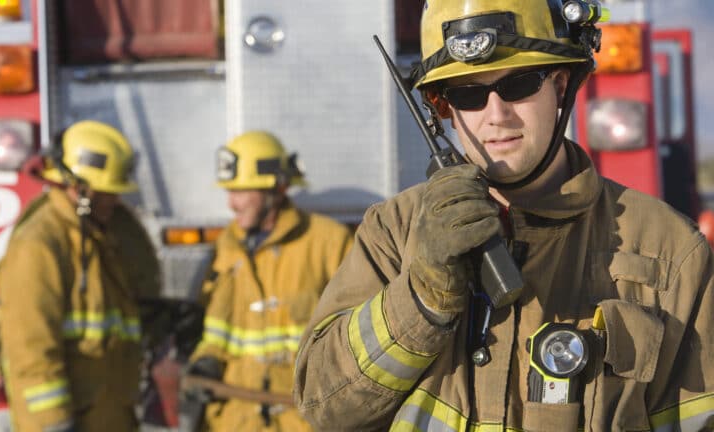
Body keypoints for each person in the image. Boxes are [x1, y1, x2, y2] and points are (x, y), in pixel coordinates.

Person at [294, 1, 714, 431]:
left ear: (560, 84)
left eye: (520, 84)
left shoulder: (669, 248)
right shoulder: (393, 231)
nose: (497, 115)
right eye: (467, 94)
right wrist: (421, 297)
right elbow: (324, 406)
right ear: (442, 109)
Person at [0, 120, 161, 431]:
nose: (113, 200)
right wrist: (54, 423)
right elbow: (30, 349)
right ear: (77, 187)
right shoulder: (39, 244)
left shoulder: (105, 235)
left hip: (110, 416)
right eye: (104, 192)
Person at [184, 131, 353, 431]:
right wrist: (205, 361)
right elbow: (216, 331)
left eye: (241, 191)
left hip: (301, 420)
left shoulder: (330, 242)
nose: (231, 204)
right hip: (235, 419)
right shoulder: (227, 247)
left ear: (277, 188)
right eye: (229, 192)